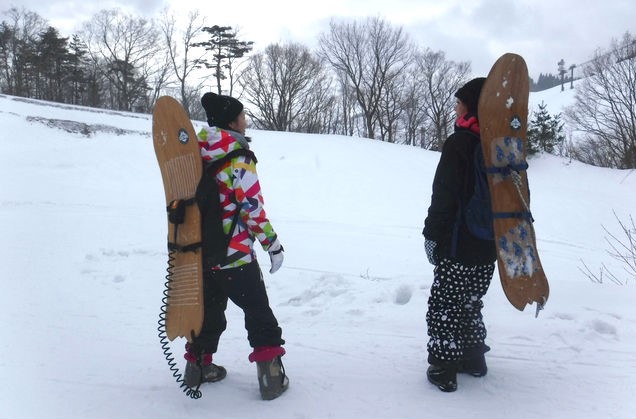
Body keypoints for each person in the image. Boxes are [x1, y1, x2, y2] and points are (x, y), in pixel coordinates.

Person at [184, 92, 289, 401]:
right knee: (258, 311)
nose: (245, 121)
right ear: (232, 121)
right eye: (242, 116)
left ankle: (198, 369)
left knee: (208, 310)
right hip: (234, 253)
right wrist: (272, 244)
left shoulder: (196, 152)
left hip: (201, 251)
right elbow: (252, 208)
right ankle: (271, 378)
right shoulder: (238, 156)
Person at [422, 77, 496, 392]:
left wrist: (431, 234)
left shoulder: (460, 143)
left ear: (470, 106)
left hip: (458, 244)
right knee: (470, 301)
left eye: (459, 102)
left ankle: (443, 367)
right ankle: (473, 359)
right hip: (489, 246)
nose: (455, 107)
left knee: (445, 303)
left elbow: (444, 195)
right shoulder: (499, 144)